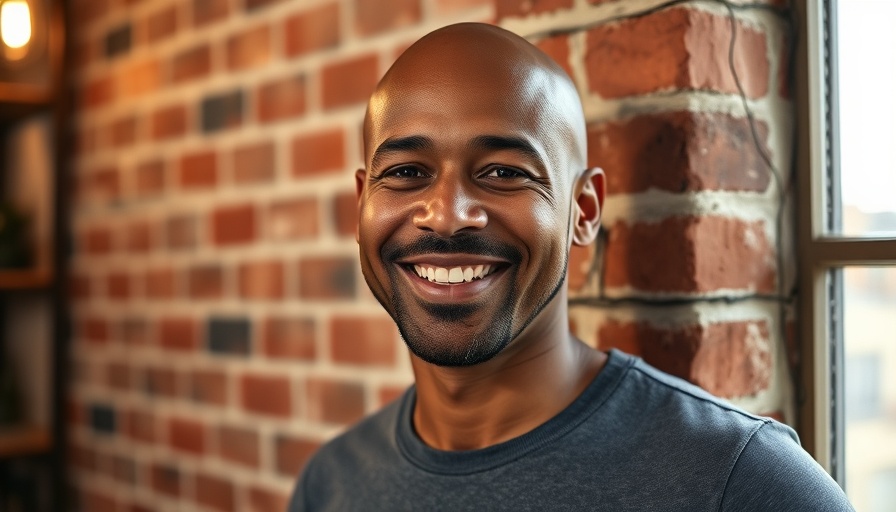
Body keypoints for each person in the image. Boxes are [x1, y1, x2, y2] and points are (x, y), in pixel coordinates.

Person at [289, 22, 854, 511]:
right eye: (407, 172)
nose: (446, 215)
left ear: (583, 210)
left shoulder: (738, 481)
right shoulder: (331, 484)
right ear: (362, 201)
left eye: (505, 172)